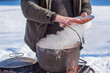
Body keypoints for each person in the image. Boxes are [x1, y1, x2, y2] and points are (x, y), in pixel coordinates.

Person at [21, 0, 92, 53]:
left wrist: (84, 12)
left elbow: (85, 3)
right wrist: (55, 17)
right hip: (45, 41)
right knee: (48, 67)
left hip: (70, 38)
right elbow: (28, 8)